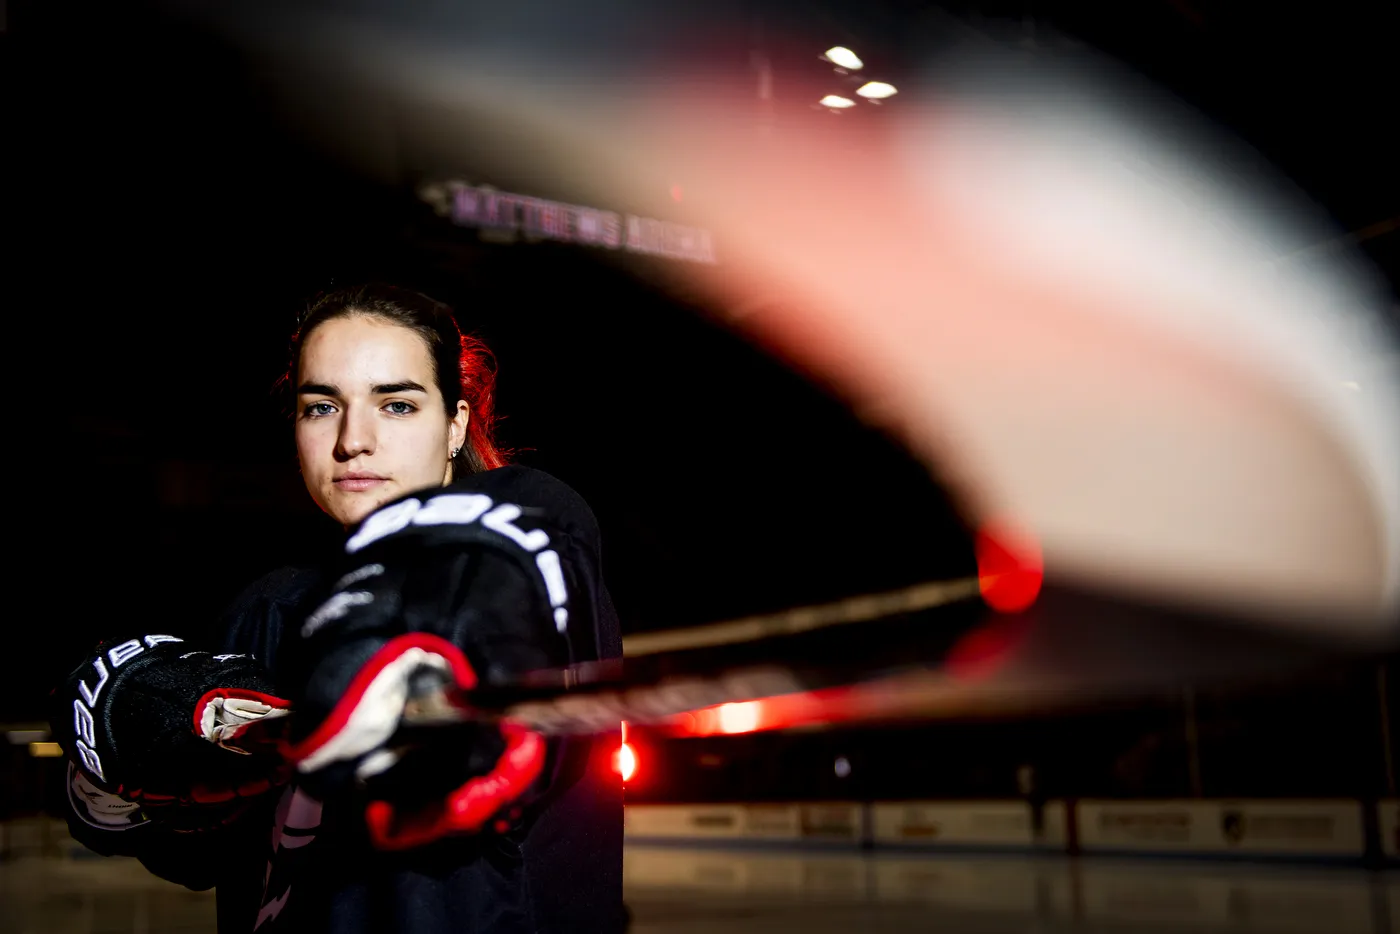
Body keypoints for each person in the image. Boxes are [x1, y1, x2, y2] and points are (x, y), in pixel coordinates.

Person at [49, 283, 626, 934]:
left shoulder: (526, 535)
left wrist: (425, 657)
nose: (354, 439)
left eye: (397, 404)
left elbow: (513, 550)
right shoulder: (267, 610)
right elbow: (200, 857)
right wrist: (116, 771)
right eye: (322, 407)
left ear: (455, 425)